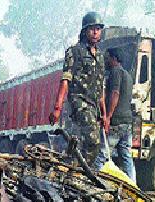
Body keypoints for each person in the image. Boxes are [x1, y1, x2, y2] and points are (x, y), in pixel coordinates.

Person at [50, 12, 106, 164]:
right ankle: (81, 172)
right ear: (84, 31)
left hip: (94, 107)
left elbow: (101, 87)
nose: (95, 32)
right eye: (91, 29)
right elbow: (65, 80)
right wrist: (57, 107)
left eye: (98, 29)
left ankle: (71, 171)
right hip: (79, 102)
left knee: (79, 144)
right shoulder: (74, 51)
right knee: (93, 141)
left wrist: (104, 114)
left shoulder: (100, 56)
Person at [94, 48, 136, 181]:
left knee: (101, 155)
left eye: (107, 58)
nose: (105, 61)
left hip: (116, 122)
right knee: (126, 156)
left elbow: (115, 93)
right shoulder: (128, 75)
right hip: (128, 122)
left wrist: (108, 116)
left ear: (114, 58)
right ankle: (133, 186)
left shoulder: (115, 72)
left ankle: (94, 183)